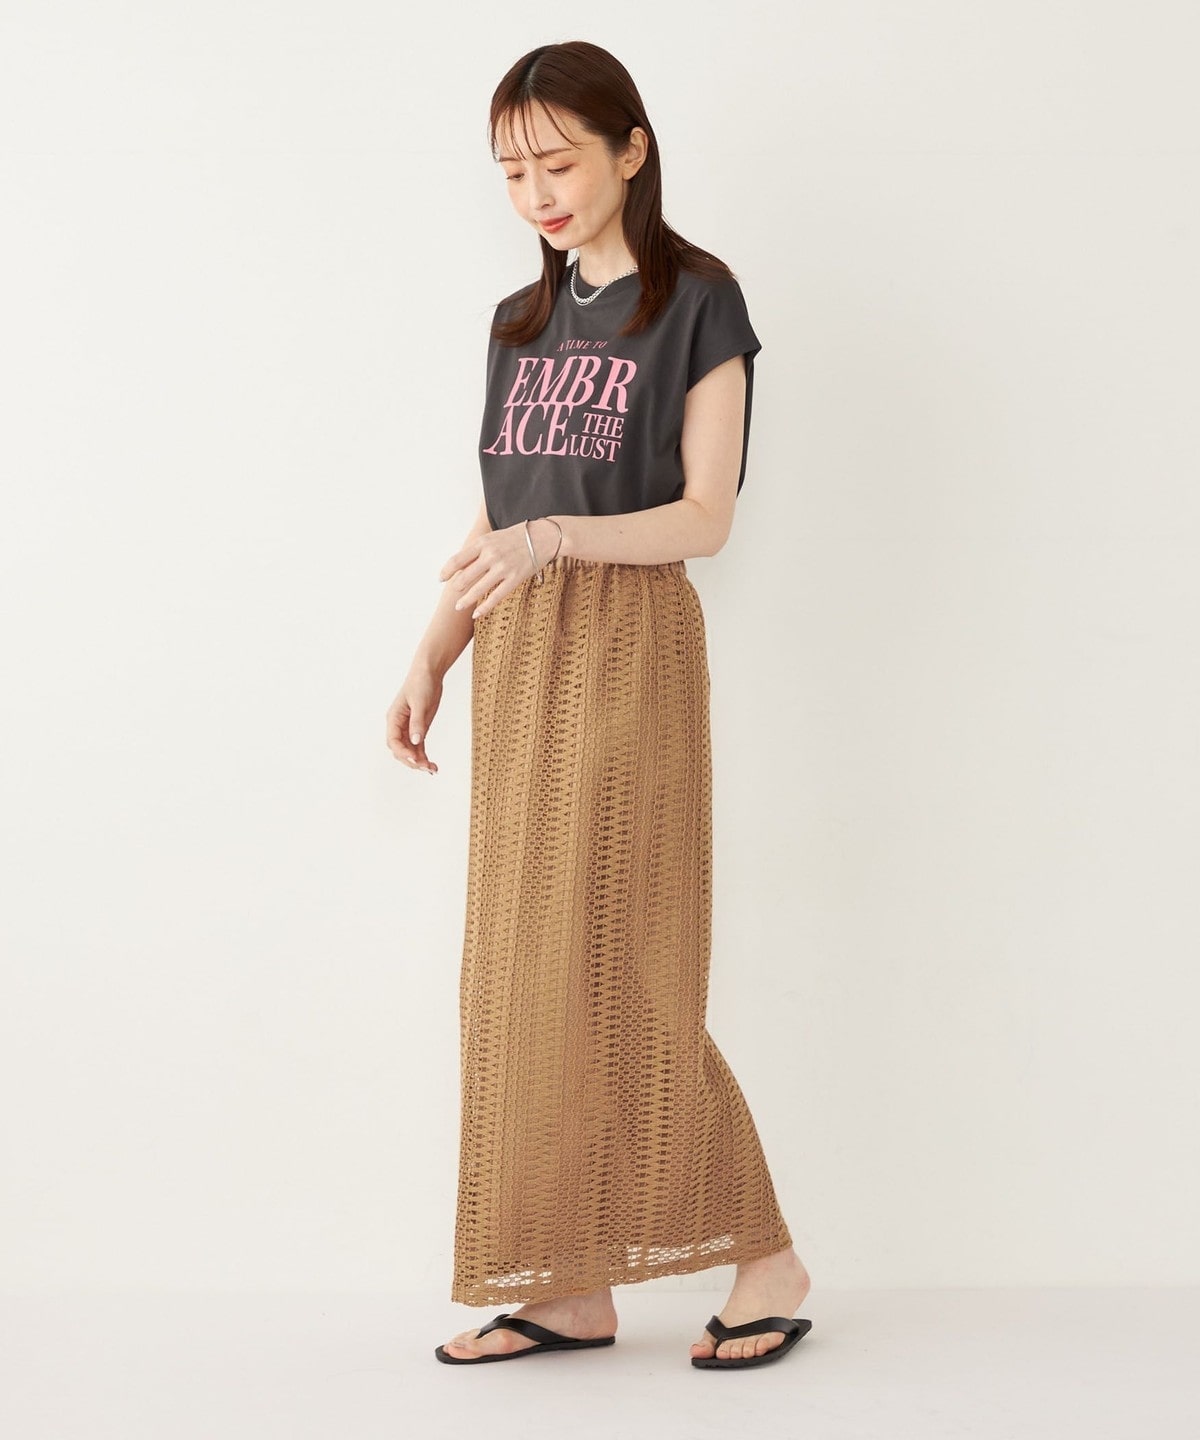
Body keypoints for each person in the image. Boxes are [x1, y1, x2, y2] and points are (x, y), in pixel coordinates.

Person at [386, 40, 813, 1371]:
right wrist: (435, 648)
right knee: (523, 970)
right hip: (520, 655)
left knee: (629, 963)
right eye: (512, 172)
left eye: (559, 163)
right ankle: (568, 1284)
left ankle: (767, 1255)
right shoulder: (520, 324)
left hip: (629, 649)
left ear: (631, 150)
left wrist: (557, 540)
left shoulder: (700, 302)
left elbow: (706, 515)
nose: (538, 195)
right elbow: (499, 507)